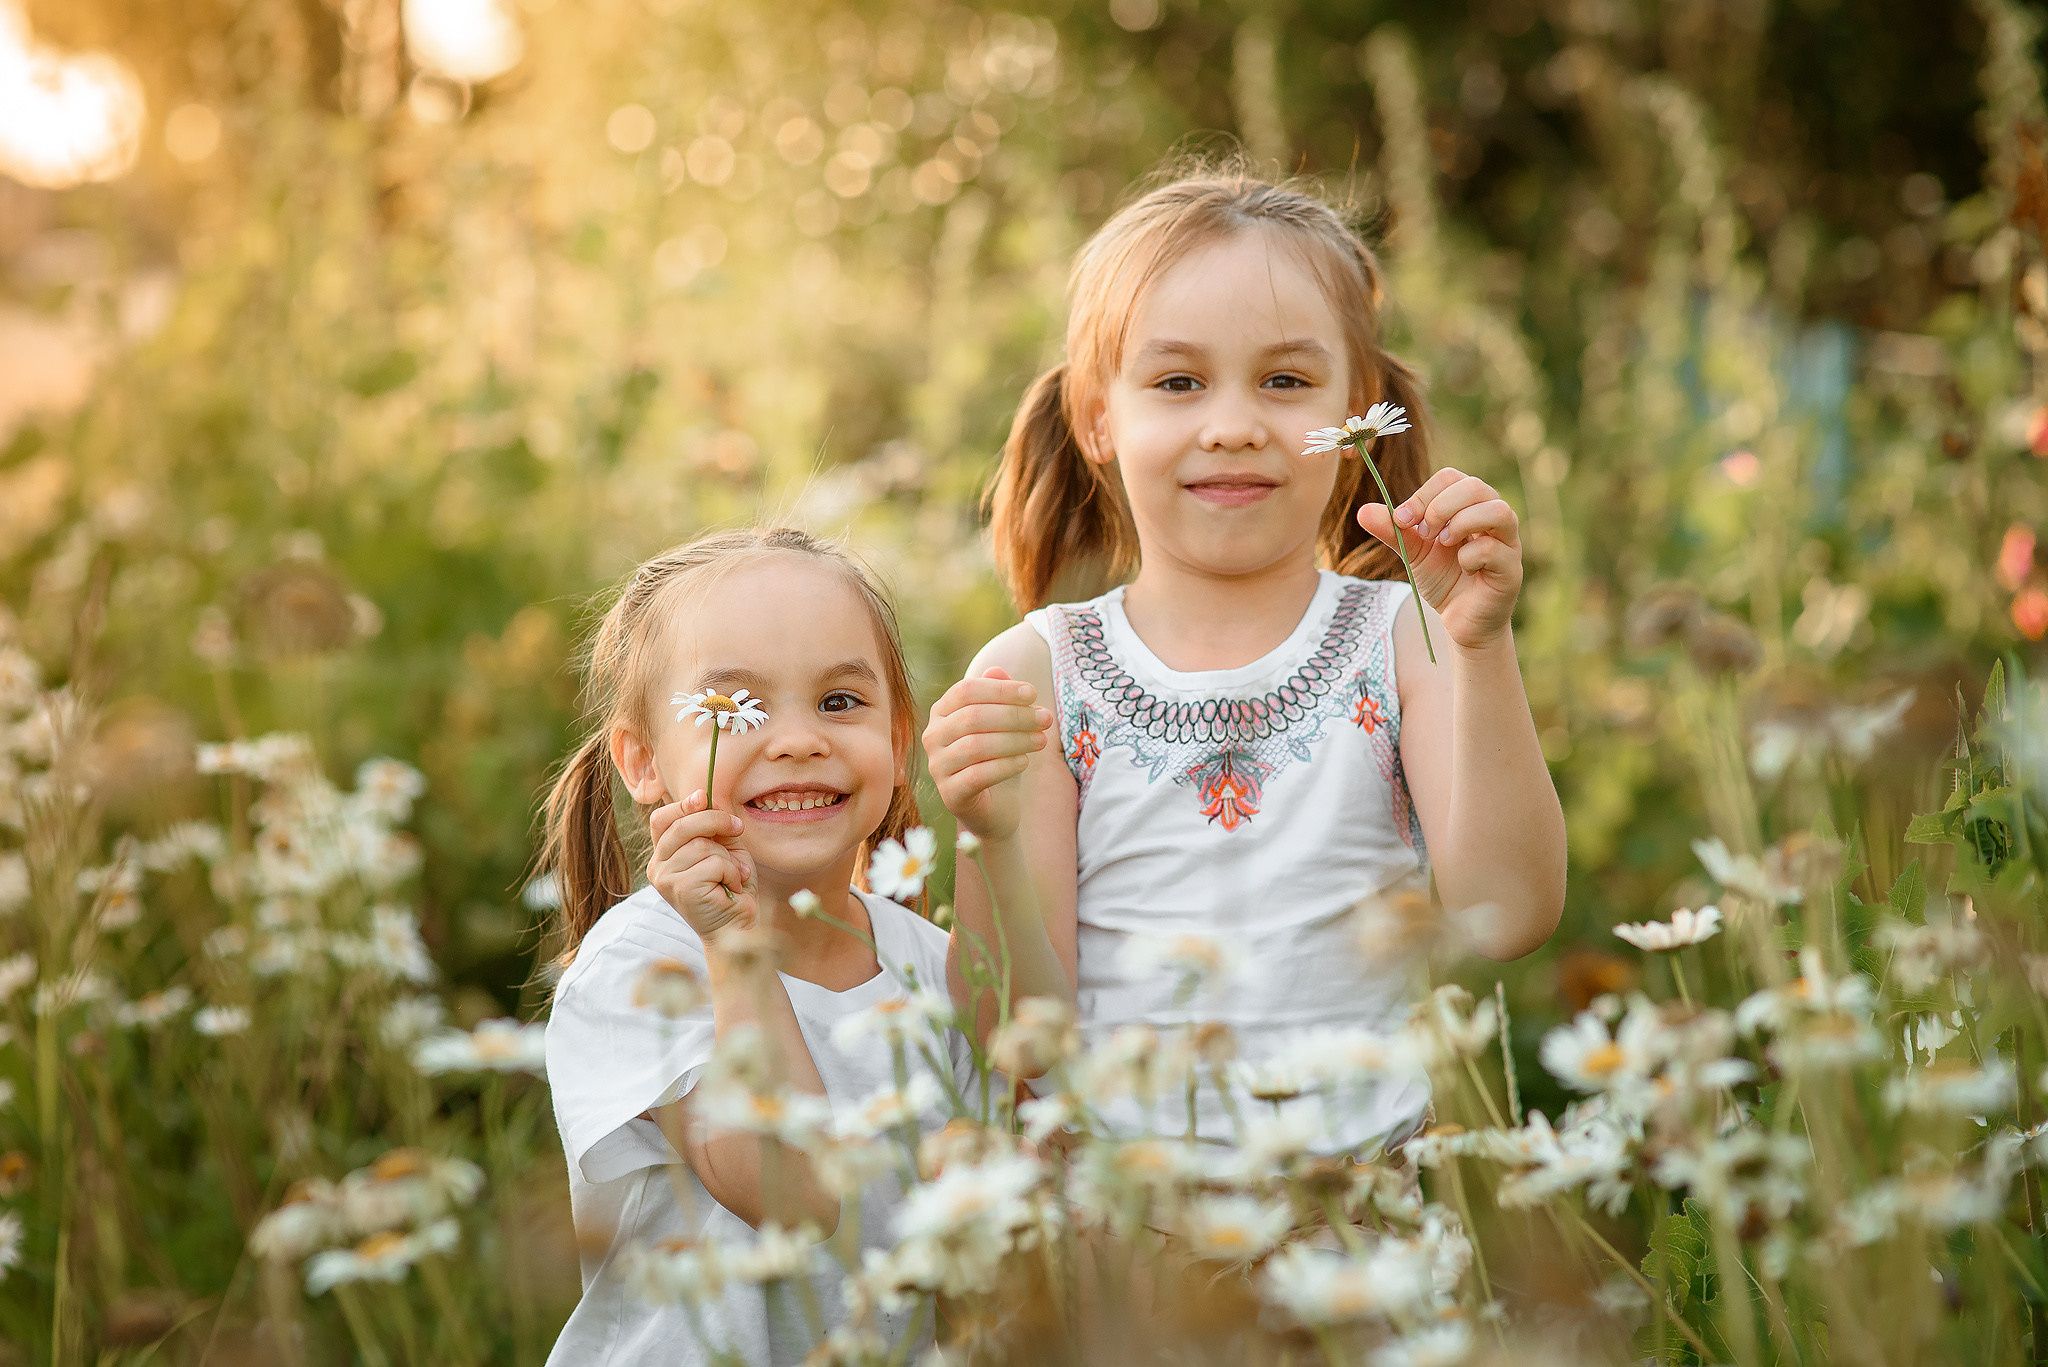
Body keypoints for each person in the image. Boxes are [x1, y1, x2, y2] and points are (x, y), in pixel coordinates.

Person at [923, 166, 1567, 1154]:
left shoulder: (1411, 637)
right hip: (1125, 1219)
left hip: (1357, 1217)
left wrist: (1481, 647)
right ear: (1099, 416)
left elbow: (1505, 913)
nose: (1233, 425)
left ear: (1355, 409)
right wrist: (988, 836)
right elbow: (1011, 1038)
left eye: (1285, 381)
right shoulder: (1040, 674)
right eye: (1178, 382)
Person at [540, 528, 971, 1366]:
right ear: (644, 761)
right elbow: (791, 1191)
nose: (798, 739)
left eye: (839, 701)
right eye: (734, 708)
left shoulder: (931, 965)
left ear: (898, 739)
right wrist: (734, 945)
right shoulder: (641, 966)